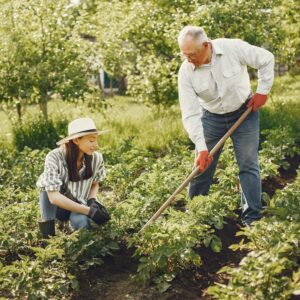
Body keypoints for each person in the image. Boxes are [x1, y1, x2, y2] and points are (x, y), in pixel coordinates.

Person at [177, 26, 274, 226]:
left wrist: (262, 91)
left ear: (206, 45)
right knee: (202, 166)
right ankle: (195, 215)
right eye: (184, 55)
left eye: (192, 54)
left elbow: (266, 58)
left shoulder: (232, 48)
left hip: (244, 112)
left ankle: (252, 218)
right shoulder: (186, 71)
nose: (188, 59)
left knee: (248, 164)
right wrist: (202, 148)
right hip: (211, 118)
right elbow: (190, 112)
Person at [36, 117, 110, 238]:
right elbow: (53, 198)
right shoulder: (54, 157)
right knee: (46, 188)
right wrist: (90, 211)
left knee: (83, 226)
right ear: (76, 140)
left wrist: (92, 201)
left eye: (96, 140)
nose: (96, 145)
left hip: (79, 205)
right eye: (91, 141)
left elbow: (95, 183)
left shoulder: (97, 158)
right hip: (57, 207)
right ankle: (47, 237)